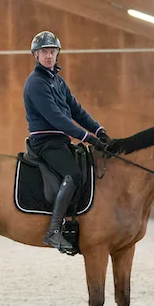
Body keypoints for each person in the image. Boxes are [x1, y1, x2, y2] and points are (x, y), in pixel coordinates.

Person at [23, 30, 112, 253]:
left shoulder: (58, 82)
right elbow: (56, 117)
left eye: (52, 51)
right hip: (45, 142)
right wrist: (86, 137)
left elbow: (76, 110)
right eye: (44, 52)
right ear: (36, 55)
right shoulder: (35, 83)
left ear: (57, 54)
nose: (49, 55)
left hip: (59, 141)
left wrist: (99, 130)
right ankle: (53, 231)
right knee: (73, 174)